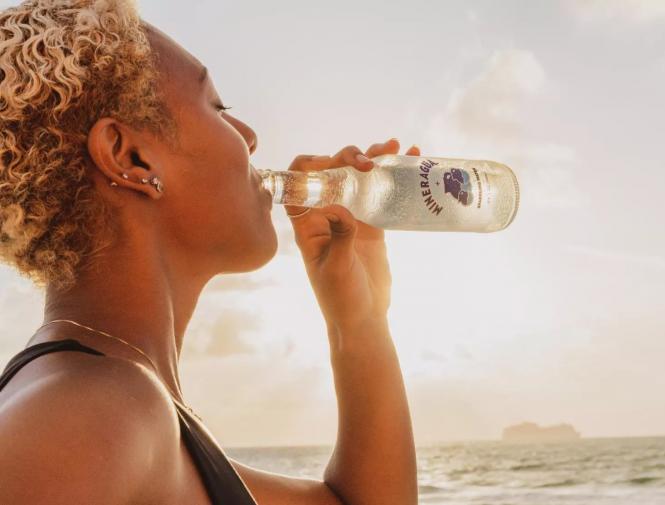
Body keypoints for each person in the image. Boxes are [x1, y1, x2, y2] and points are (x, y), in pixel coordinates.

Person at [0, 1, 418, 504]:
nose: (250, 137)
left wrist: (359, 319)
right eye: (218, 107)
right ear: (130, 158)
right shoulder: (92, 413)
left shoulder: (124, 409)